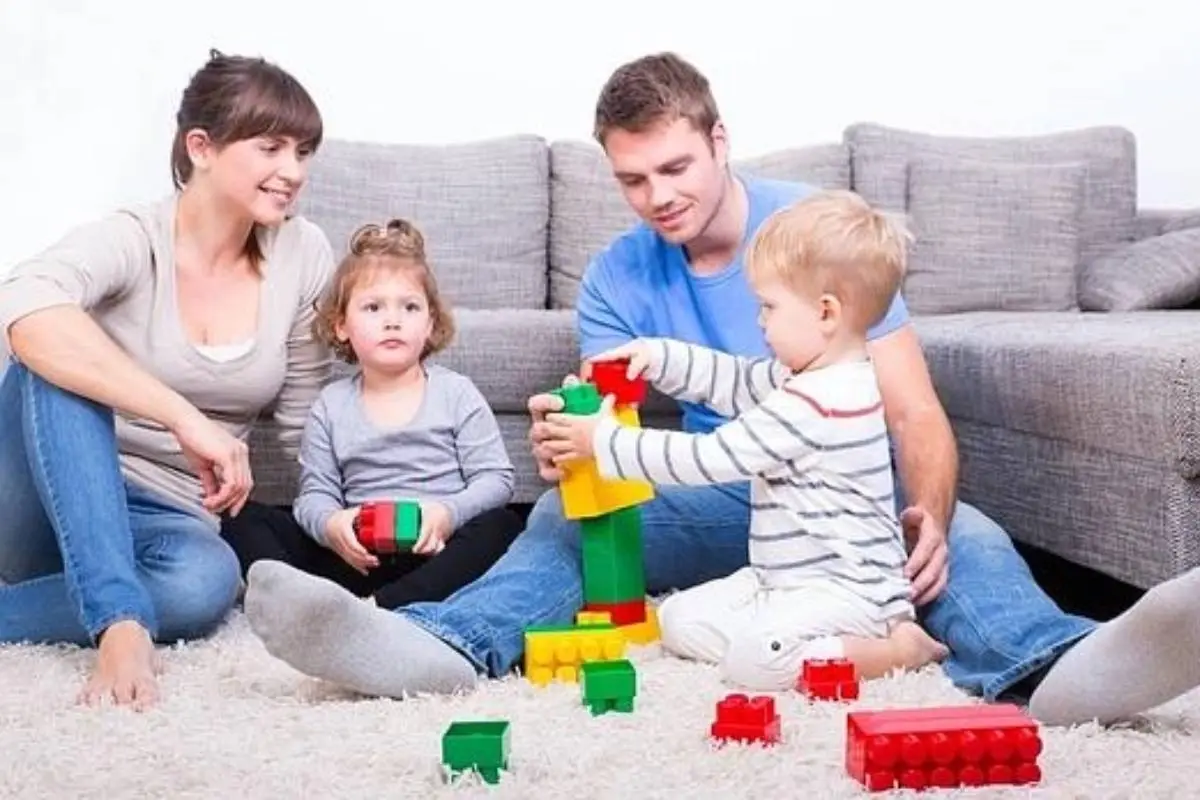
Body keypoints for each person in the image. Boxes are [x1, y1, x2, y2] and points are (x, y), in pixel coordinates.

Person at [242, 51, 1200, 727]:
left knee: (969, 534)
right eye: (631, 179)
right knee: (561, 522)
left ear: (720, 140)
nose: (657, 195)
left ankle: (1062, 665)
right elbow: (615, 435)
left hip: (825, 495)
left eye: (675, 167)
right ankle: (437, 647)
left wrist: (932, 514)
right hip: (715, 499)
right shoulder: (618, 276)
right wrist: (572, 446)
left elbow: (913, 414)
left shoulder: (814, 241)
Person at [0, 49, 334, 710]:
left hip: (165, 520)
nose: (292, 172)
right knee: (54, 357)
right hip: (43, 492)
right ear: (202, 147)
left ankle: (58, 601)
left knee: (206, 582)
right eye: (271, 147)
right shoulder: (134, 238)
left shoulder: (305, 252)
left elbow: (306, 427)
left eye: (303, 151)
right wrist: (182, 415)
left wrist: (349, 510)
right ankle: (119, 622)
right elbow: (25, 304)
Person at [543, 190, 949, 690]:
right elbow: (733, 380)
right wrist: (658, 356)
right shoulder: (799, 378)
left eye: (769, 307)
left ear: (825, 313)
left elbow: (708, 458)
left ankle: (895, 649)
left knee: (755, 664)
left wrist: (604, 443)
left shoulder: (819, 401)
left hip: (849, 593)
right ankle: (790, 644)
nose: (760, 321)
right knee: (677, 620)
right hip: (782, 583)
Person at [222, 219, 524, 612]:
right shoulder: (330, 405)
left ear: (430, 323)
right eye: (373, 307)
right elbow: (316, 495)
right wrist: (333, 527)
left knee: (505, 526)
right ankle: (319, 606)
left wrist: (448, 514)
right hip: (357, 560)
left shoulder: (456, 393)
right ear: (341, 326)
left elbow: (497, 479)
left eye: (410, 307)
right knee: (242, 519)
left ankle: (379, 609)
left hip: (439, 550)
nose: (393, 319)